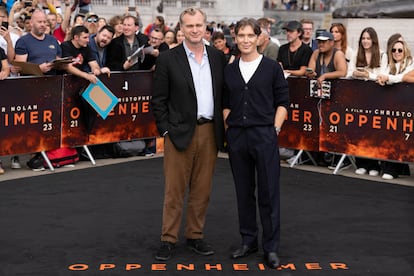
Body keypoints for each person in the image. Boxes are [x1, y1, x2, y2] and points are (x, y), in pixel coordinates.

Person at [151, 7, 226, 261]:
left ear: (206, 27)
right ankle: (168, 239)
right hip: (179, 133)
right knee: (174, 190)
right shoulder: (167, 59)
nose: (195, 30)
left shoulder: (217, 57)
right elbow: (158, 100)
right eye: (189, 26)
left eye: (199, 25)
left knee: (202, 190)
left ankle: (195, 235)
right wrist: (166, 130)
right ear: (181, 29)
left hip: (210, 132)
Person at [223, 17, 289, 269]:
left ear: (259, 37)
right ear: (235, 38)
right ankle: (248, 240)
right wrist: (230, 130)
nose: (246, 40)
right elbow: (225, 104)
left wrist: (274, 129)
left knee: (269, 193)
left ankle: (271, 247)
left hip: (264, 135)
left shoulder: (272, 67)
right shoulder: (229, 70)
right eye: (241, 36)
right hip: (238, 136)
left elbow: (283, 102)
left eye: (250, 35)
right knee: (243, 192)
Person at [347, 27, 385, 176]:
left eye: (368, 38)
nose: (365, 41)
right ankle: (361, 162)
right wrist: (355, 73)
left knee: (374, 132)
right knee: (360, 131)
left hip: (376, 98)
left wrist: (367, 74)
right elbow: (349, 73)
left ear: (373, 40)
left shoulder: (382, 55)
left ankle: (375, 164)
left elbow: (381, 75)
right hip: (359, 98)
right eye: (363, 38)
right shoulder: (357, 54)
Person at [375, 38, 413, 180]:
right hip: (389, 107)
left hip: (406, 107)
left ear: (405, 52)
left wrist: (388, 78)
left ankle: (397, 169)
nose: (396, 53)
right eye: (394, 50)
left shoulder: (410, 63)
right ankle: (391, 168)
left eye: (400, 50)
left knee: (402, 138)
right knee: (388, 137)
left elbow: (404, 77)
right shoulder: (389, 65)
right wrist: (380, 78)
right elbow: (381, 75)